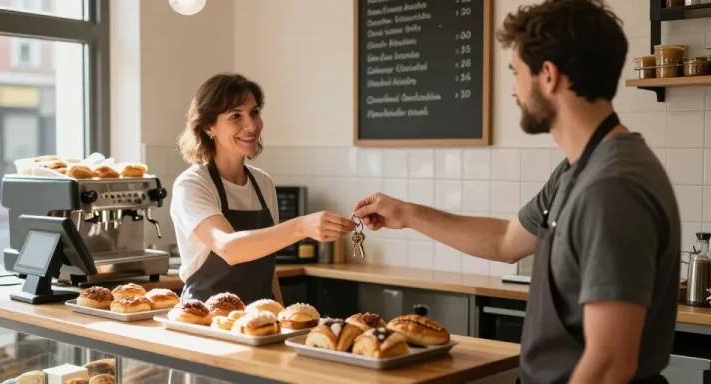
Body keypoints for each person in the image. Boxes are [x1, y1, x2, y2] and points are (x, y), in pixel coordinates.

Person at [353, 1, 679, 383]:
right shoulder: (579, 169)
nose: (512, 90)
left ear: (549, 76)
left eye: (516, 73)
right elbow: (506, 240)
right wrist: (407, 213)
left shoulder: (611, 188)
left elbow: (610, 363)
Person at [171, 73, 355, 306]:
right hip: (206, 319)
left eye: (254, 112)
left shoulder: (262, 183)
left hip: (259, 320)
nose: (251, 126)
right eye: (236, 116)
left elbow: (268, 269)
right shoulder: (193, 184)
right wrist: (301, 226)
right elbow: (228, 248)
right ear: (209, 127)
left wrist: (279, 314)